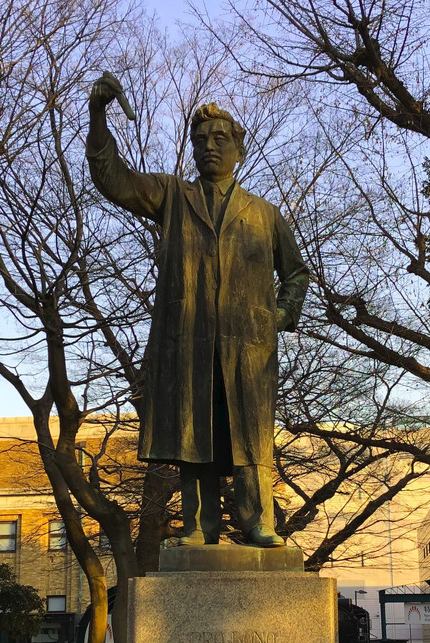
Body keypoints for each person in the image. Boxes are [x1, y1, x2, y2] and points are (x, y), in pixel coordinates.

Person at [86, 74, 308, 548]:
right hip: (188, 341)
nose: (210, 146)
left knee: (249, 437)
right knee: (194, 434)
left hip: (247, 349)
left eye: (220, 139)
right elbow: (114, 180)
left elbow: (296, 274)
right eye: (201, 140)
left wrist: (280, 316)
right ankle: (198, 527)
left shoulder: (264, 214)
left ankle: (256, 521)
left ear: (239, 149)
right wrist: (99, 116)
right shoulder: (172, 197)